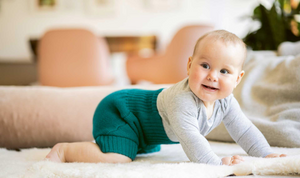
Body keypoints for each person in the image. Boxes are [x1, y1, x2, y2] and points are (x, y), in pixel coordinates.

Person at [45, 30, 286, 166]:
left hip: (140, 126)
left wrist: (265, 154)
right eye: (205, 65)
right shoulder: (182, 100)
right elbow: (192, 141)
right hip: (120, 111)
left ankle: (129, 141)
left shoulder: (226, 102)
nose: (213, 76)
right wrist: (217, 164)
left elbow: (244, 130)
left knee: (144, 150)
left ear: (237, 79)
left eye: (224, 71)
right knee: (119, 159)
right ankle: (65, 151)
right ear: (189, 65)